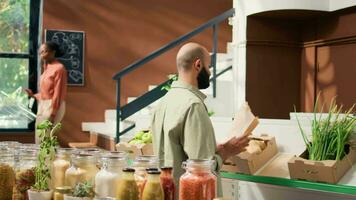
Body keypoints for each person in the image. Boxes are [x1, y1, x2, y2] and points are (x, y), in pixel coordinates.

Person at [151, 42, 250, 196]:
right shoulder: (193, 105)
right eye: (208, 66)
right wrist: (226, 152)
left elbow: (174, 149)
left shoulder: (163, 102)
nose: (210, 72)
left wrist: (213, 147)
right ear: (198, 65)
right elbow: (201, 170)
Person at [25, 42, 67, 143]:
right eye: (40, 52)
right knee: (40, 138)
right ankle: (43, 159)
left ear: (53, 52)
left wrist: (52, 113)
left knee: (45, 138)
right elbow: (45, 93)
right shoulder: (46, 68)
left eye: (45, 51)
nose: (42, 54)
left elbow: (58, 94)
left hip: (53, 105)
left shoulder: (59, 68)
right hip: (43, 105)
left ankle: (51, 159)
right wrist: (33, 95)